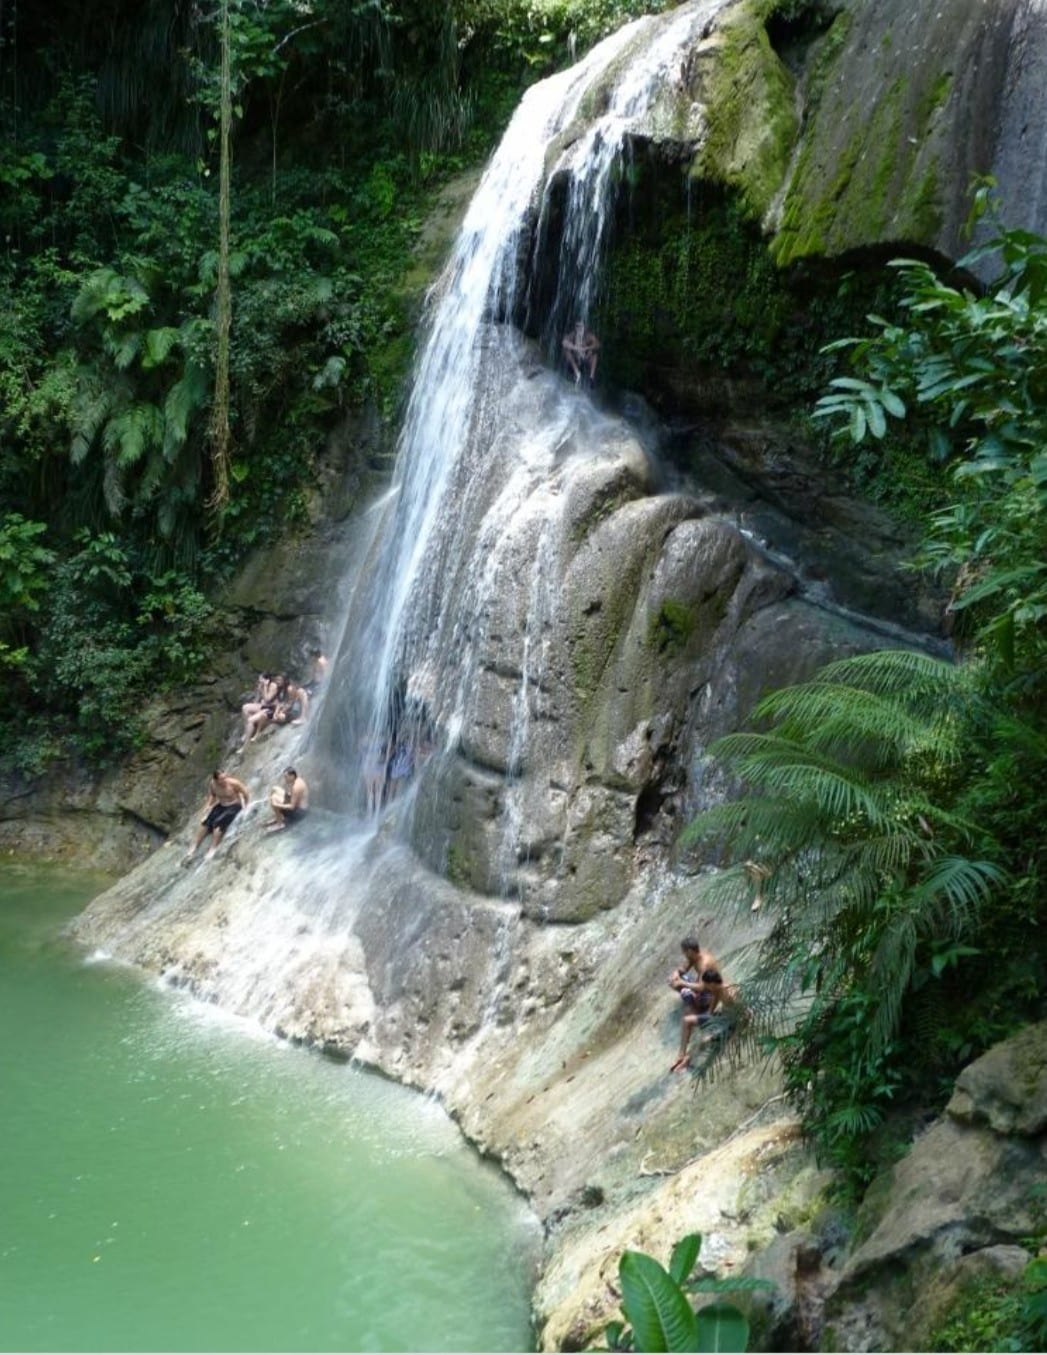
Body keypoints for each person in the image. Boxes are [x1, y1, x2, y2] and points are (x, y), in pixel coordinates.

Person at [668, 936, 725, 1072]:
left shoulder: (705, 964)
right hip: (707, 991)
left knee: (687, 999)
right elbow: (684, 967)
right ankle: (682, 1055)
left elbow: (702, 987)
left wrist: (682, 983)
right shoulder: (694, 957)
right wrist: (676, 974)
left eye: (684, 952)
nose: (683, 955)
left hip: (708, 993)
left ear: (690, 951)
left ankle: (684, 1057)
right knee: (672, 980)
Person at [184, 770, 250, 863]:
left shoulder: (234, 783)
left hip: (234, 805)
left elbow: (245, 792)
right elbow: (212, 795)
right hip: (221, 805)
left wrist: (246, 805)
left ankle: (213, 847)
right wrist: (208, 805)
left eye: (225, 777)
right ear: (216, 780)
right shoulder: (213, 784)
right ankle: (194, 846)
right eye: (222, 779)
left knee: (217, 824)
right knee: (205, 823)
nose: (225, 780)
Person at [266, 766, 309, 833]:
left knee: (274, 798)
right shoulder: (297, 780)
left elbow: (292, 807)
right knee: (275, 788)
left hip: (299, 813)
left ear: (292, 776)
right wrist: (287, 796)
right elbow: (294, 796)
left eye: (286, 777)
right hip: (297, 805)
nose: (285, 779)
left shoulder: (296, 787)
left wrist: (277, 805)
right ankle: (279, 817)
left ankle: (280, 824)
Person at [562, 320, 600, 385]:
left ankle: (591, 377)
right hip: (575, 359)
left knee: (594, 355)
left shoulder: (588, 335)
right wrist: (575, 348)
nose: (579, 328)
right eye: (577, 326)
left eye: (580, 326)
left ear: (584, 327)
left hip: (585, 358)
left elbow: (597, 344)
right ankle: (577, 373)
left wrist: (586, 348)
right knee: (566, 351)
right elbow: (564, 342)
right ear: (575, 327)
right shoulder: (573, 334)